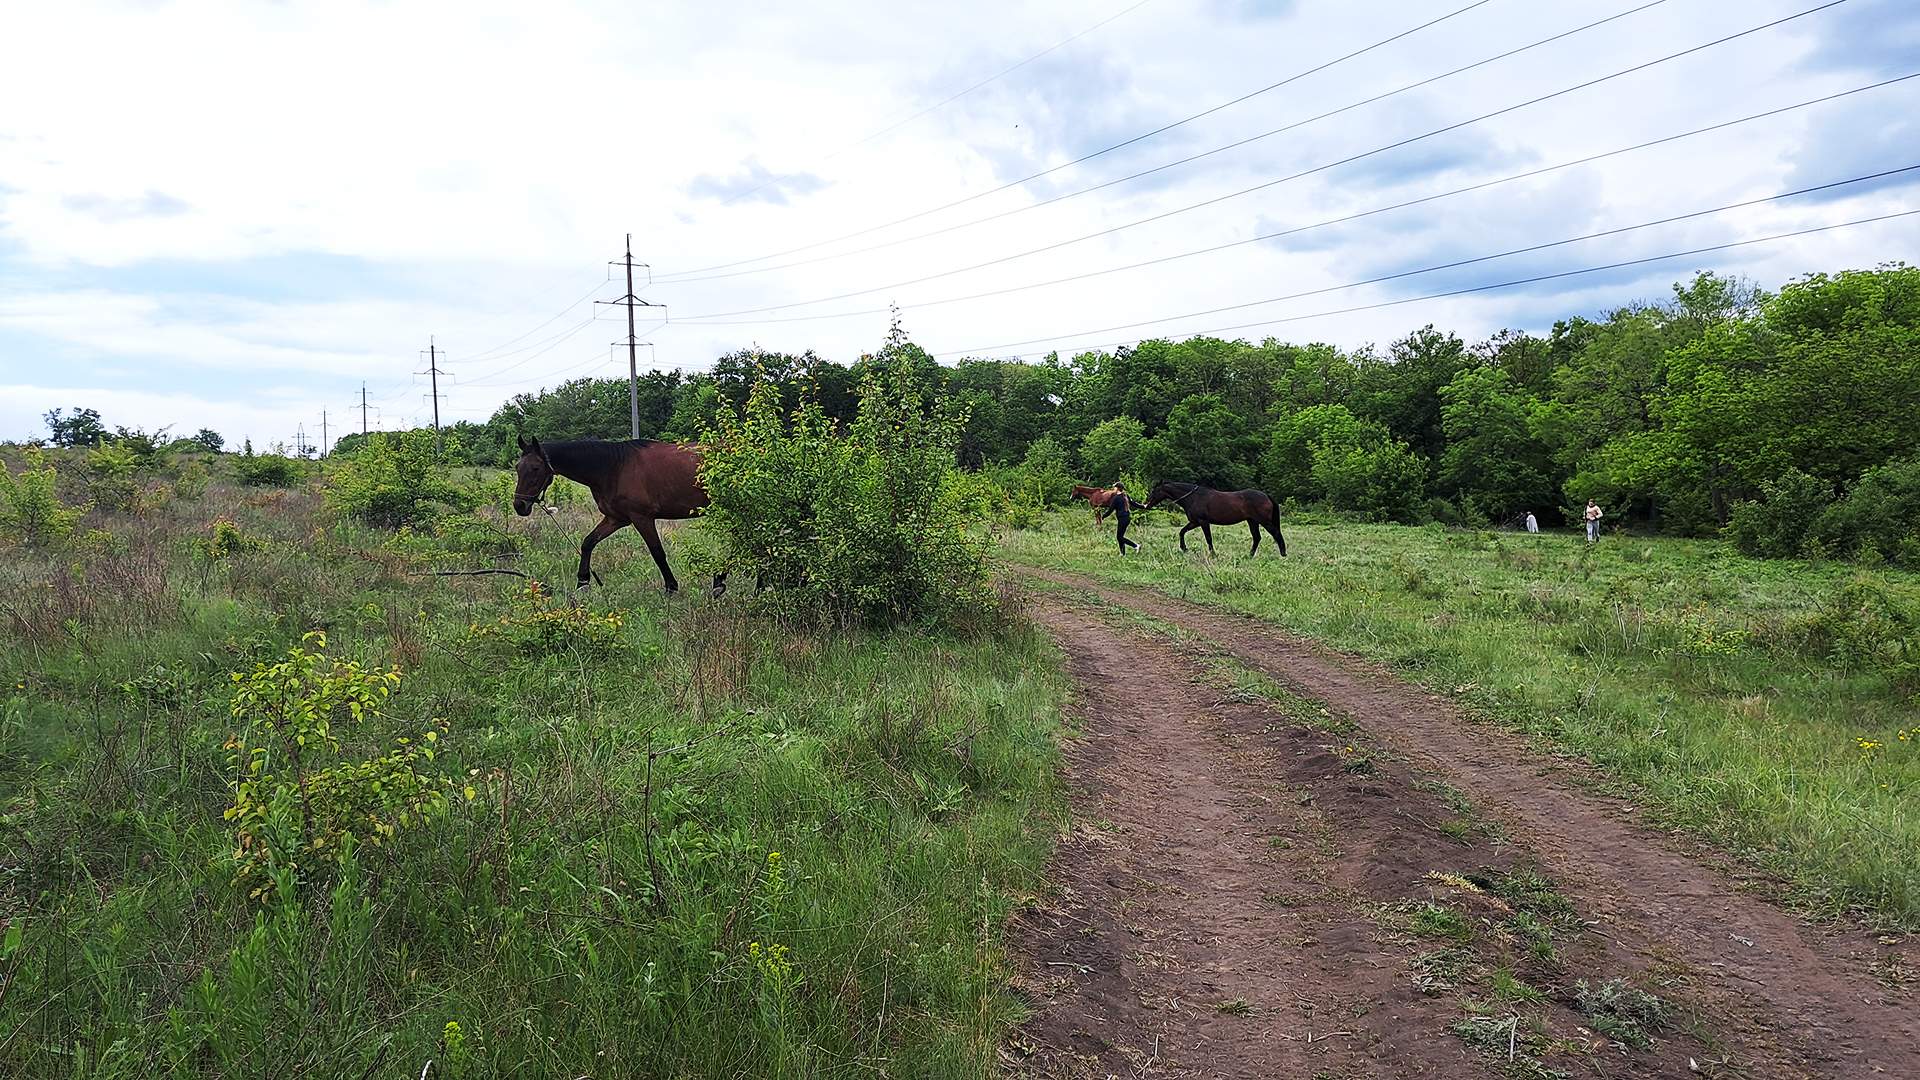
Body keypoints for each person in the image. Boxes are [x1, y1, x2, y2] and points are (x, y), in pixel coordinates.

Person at [1110, 482, 1139, 555]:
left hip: (1122, 519)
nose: (1113, 489)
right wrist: (1144, 506)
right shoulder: (1125, 496)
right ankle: (1122, 553)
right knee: (1120, 536)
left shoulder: (1116, 498)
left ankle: (1135, 546)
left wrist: (1102, 517)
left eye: (1114, 487)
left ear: (1117, 488)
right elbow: (1134, 504)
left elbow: (1110, 510)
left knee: (1119, 537)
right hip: (1127, 518)